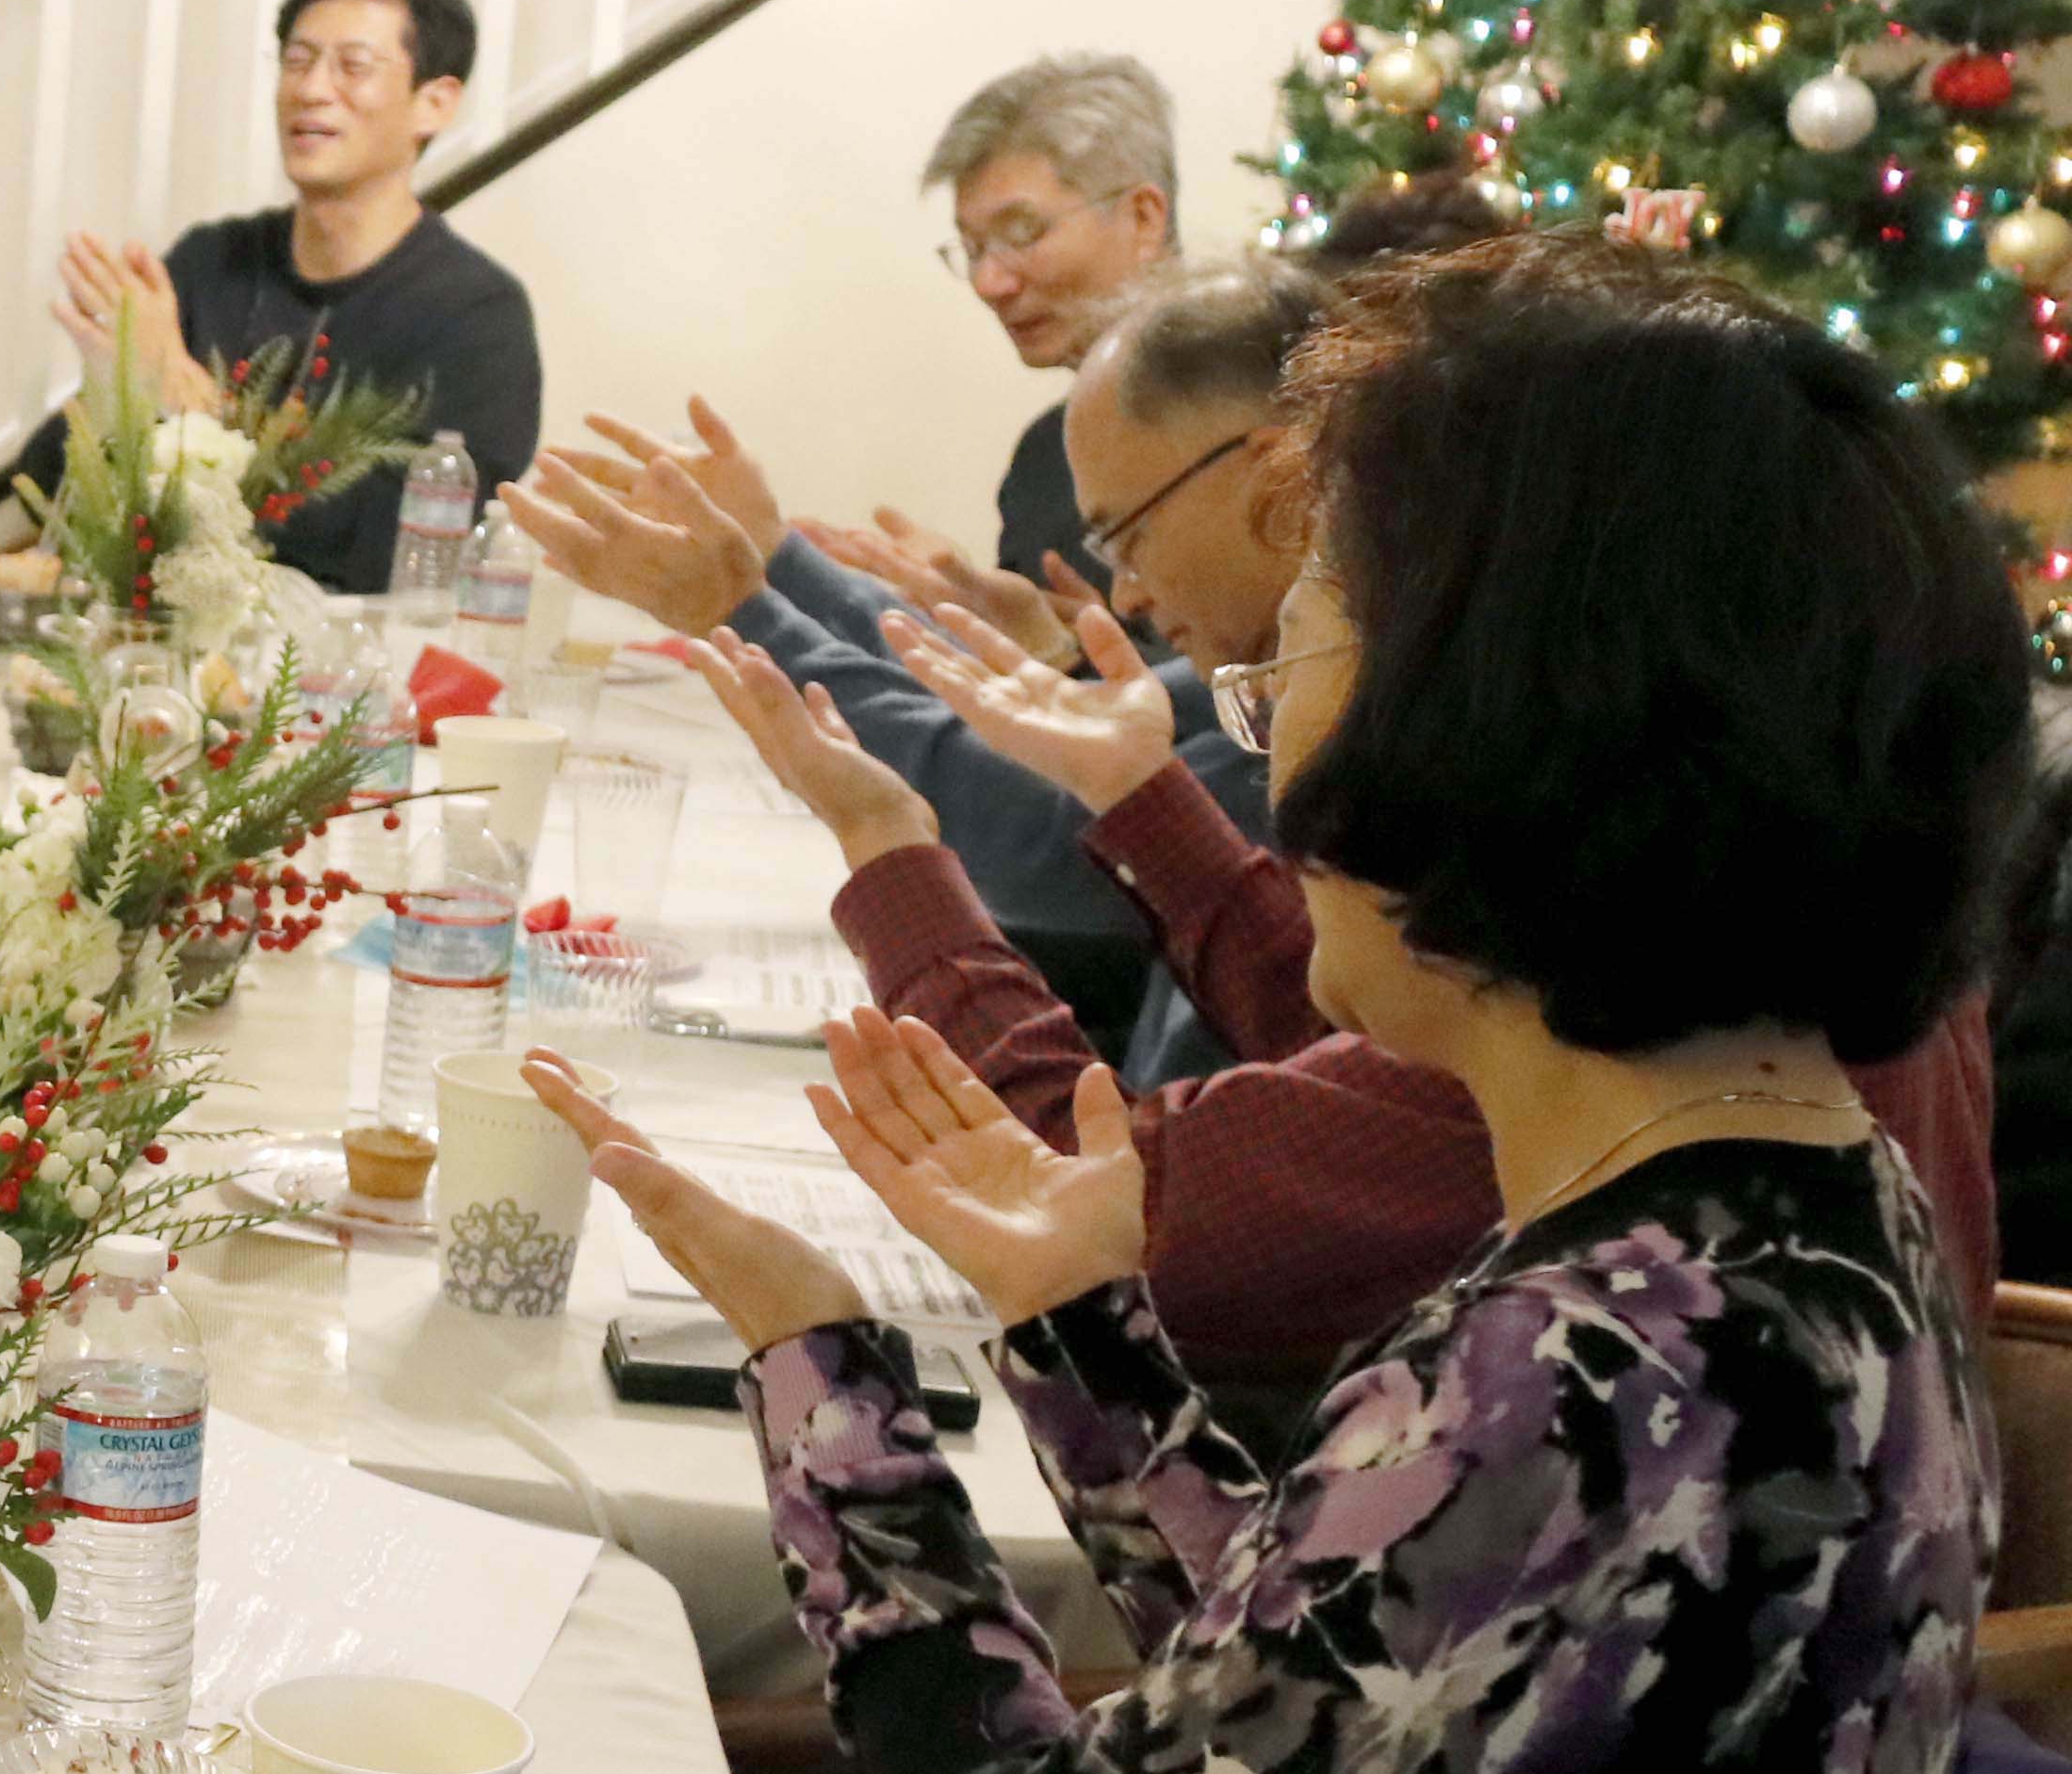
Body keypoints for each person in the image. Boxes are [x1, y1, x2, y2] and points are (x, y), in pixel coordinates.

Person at [534, 232, 2022, 1774]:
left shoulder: (1603, 1365)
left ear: (1516, 736)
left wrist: (824, 1379)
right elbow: (1325, 1700)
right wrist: (1071, 1327)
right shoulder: (1765, 1211)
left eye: (1285, 676)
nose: (1267, 781)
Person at [660, 257, 1996, 1432]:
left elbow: (1104, 1201)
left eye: (1311, 642)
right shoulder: (1740, 953)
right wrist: (1135, 794)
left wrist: (819, 1383)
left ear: (1494, 697)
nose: (1285, 743)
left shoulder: (1573, 1320)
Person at [504, 382, 1265, 1080]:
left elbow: (1048, 839)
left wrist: (744, 610)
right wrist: (774, 565)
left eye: (1134, 534)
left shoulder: (1301, 689)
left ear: (1276, 466)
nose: (1126, 594)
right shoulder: (1263, 654)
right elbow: (1007, 725)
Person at [36, 0, 538, 594]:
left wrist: (196, 409)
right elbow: (48, 486)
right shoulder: (212, 263)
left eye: (352, 66)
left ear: (435, 103)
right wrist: (112, 396)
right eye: (297, 62)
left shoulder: (478, 316)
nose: (310, 89)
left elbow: (396, 552)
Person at [918, 48, 1180, 589]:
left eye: (1022, 233)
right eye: (973, 249)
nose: (989, 283)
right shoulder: (1042, 462)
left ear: (1142, 219)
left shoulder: (1260, 412)